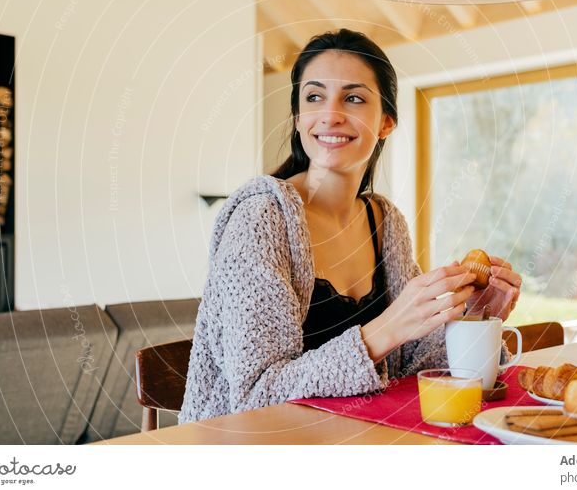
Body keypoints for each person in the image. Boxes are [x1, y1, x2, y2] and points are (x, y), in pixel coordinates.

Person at [179, 29, 522, 423]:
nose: (331, 113)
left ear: (386, 123)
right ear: (298, 118)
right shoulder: (260, 219)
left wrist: (474, 317)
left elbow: (413, 364)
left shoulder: (385, 223)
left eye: (354, 98)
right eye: (314, 97)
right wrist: (385, 329)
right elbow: (257, 397)